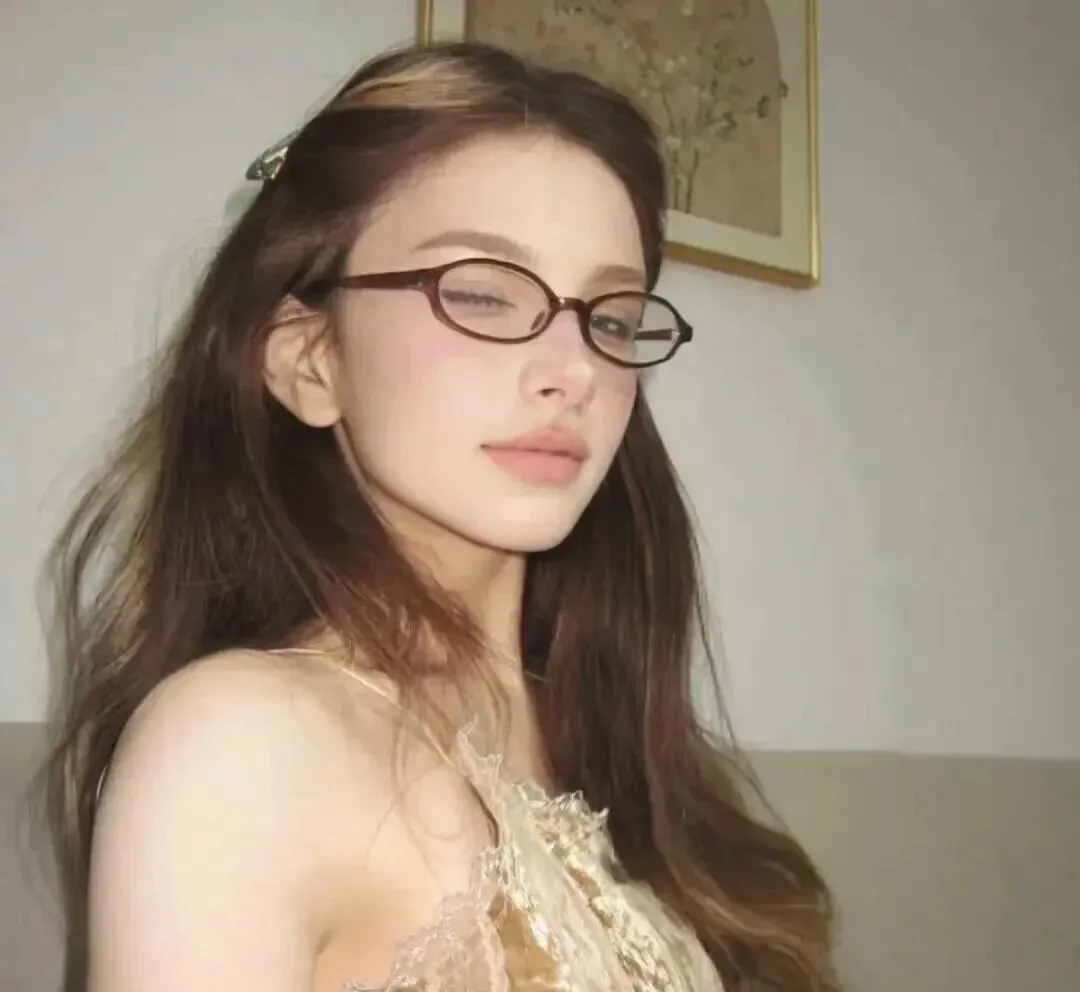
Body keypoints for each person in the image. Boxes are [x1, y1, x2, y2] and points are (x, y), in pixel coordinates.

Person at [39, 40, 838, 992]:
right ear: (309, 360)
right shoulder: (239, 745)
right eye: (481, 295)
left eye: (612, 318)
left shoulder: (617, 738)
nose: (574, 370)